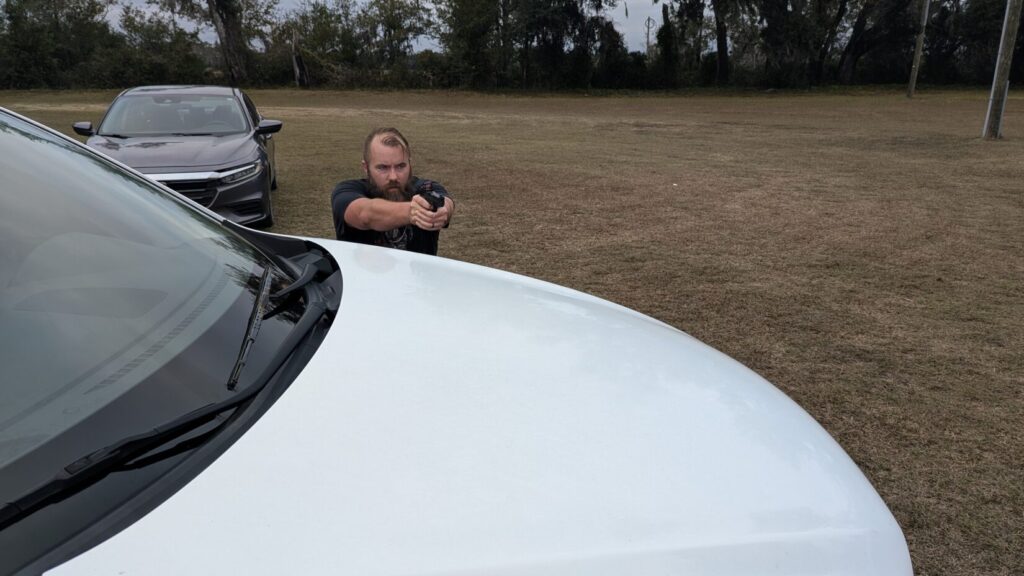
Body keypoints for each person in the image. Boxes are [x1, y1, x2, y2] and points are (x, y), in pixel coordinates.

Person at [331, 127, 454, 256]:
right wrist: (414, 212)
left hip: (418, 276)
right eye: (383, 167)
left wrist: (442, 212)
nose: (393, 177)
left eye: (401, 166)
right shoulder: (347, 191)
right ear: (366, 167)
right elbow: (364, 214)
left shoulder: (426, 187)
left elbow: (446, 205)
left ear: (409, 164)